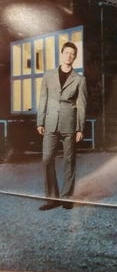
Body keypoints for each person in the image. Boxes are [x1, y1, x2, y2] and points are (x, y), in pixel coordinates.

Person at [36, 41, 87, 210]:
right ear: (61, 54)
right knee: (47, 158)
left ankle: (66, 197)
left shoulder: (79, 79)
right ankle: (52, 198)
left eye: (73, 54)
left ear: (75, 57)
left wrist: (80, 128)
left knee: (69, 160)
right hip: (50, 122)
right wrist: (40, 121)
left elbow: (81, 105)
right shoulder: (48, 76)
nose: (69, 56)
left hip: (69, 124)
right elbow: (43, 98)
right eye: (67, 53)